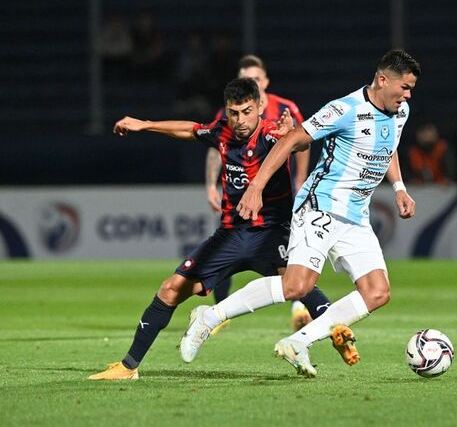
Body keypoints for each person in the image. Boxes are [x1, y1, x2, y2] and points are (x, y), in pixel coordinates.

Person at [88, 78, 358, 380]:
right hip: (230, 237)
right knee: (170, 289)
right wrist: (145, 124)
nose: (240, 120)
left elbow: (301, 142)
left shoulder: (272, 133)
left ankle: (338, 332)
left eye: (246, 111)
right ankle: (128, 367)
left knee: (302, 287)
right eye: (233, 113)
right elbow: (188, 129)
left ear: (258, 107)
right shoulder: (222, 132)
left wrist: (292, 134)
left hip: (273, 235)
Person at [179, 49, 419, 378]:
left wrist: (399, 188)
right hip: (320, 206)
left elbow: (388, 146)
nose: (408, 95)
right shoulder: (345, 109)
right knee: (296, 286)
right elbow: (291, 140)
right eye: (404, 87)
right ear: (382, 80)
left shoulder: (400, 111)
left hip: (356, 216)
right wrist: (256, 187)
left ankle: (299, 341)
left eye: (410, 89)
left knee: (377, 292)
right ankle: (210, 317)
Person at [206, 55, 312, 330]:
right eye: (245, 77)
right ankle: (220, 310)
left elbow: (302, 142)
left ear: (265, 81)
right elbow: (216, 144)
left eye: (255, 77)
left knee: (286, 252)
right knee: (226, 246)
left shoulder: (286, 108)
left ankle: (299, 306)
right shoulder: (231, 111)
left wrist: (300, 179)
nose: (251, 81)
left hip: (276, 195)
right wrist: (210, 184)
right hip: (240, 194)